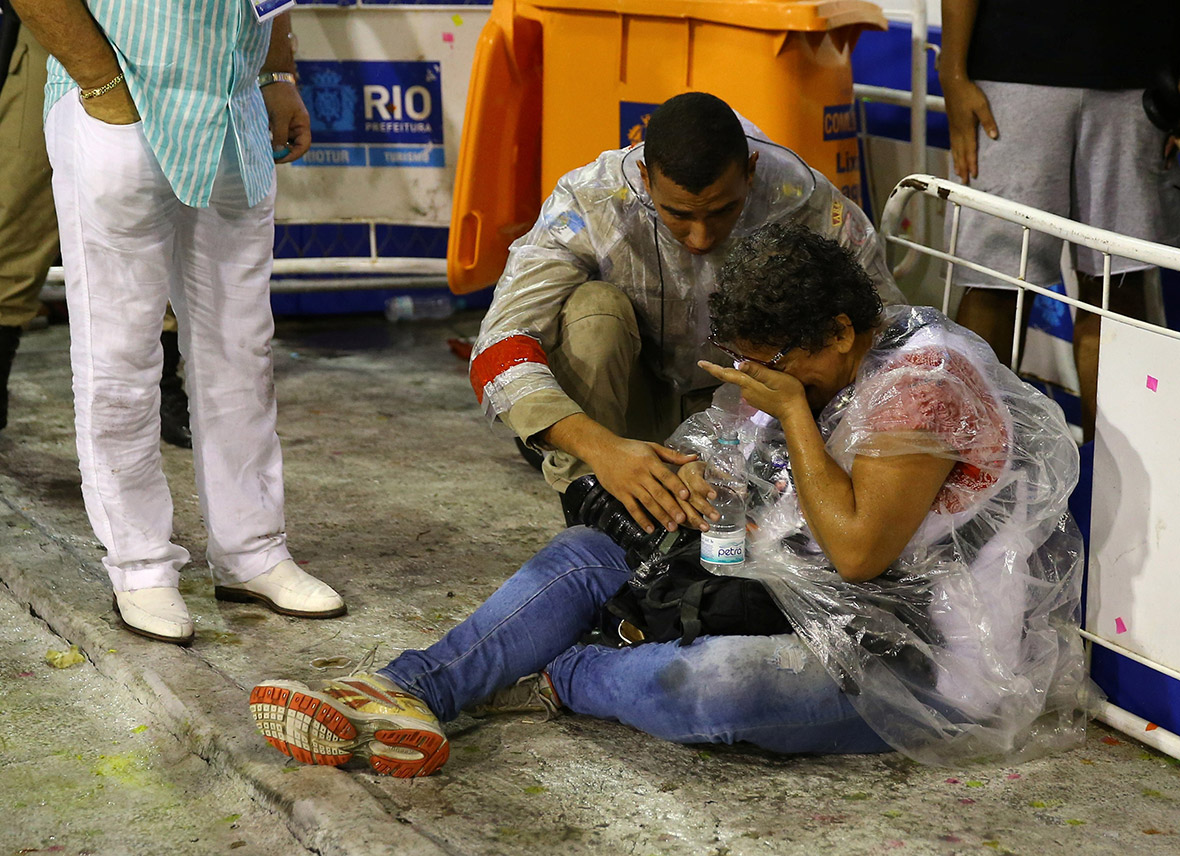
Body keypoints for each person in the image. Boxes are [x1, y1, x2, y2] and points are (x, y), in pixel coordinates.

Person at [248, 223, 1087, 776]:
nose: (763, 387)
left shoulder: (922, 387)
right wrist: (698, 479)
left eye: (777, 369)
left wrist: (792, 412)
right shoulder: (835, 359)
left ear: (836, 332)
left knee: (710, 690)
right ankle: (407, 687)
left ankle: (558, 668)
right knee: (596, 547)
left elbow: (861, 553)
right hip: (808, 603)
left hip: (915, 667)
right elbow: (755, 477)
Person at [12, 0, 344, 645]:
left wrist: (278, 76)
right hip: (122, 105)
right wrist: (102, 85)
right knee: (119, 356)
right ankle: (139, 565)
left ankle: (252, 552)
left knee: (241, 352)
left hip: (234, 115)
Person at [469, 91, 905, 537]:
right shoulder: (590, 202)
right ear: (644, 178)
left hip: (750, 411)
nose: (699, 238)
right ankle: (597, 511)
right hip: (623, 406)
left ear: (751, 172)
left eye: (723, 211)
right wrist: (600, 448)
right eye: (677, 214)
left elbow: (885, 333)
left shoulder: (807, 203)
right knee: (592, 312)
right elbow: (497, 346)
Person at [939, 0, 1180, 441]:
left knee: (1118, 291)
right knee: (995, 284)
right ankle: (964, 473)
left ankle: (1110, 489)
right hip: (1011, 71)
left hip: (1139, 79)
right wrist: (952, 72)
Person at [0, 3, 192, 446]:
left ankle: (160, 386)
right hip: (56, 21)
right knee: (18, 207)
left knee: (156, 209)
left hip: (169, 33)